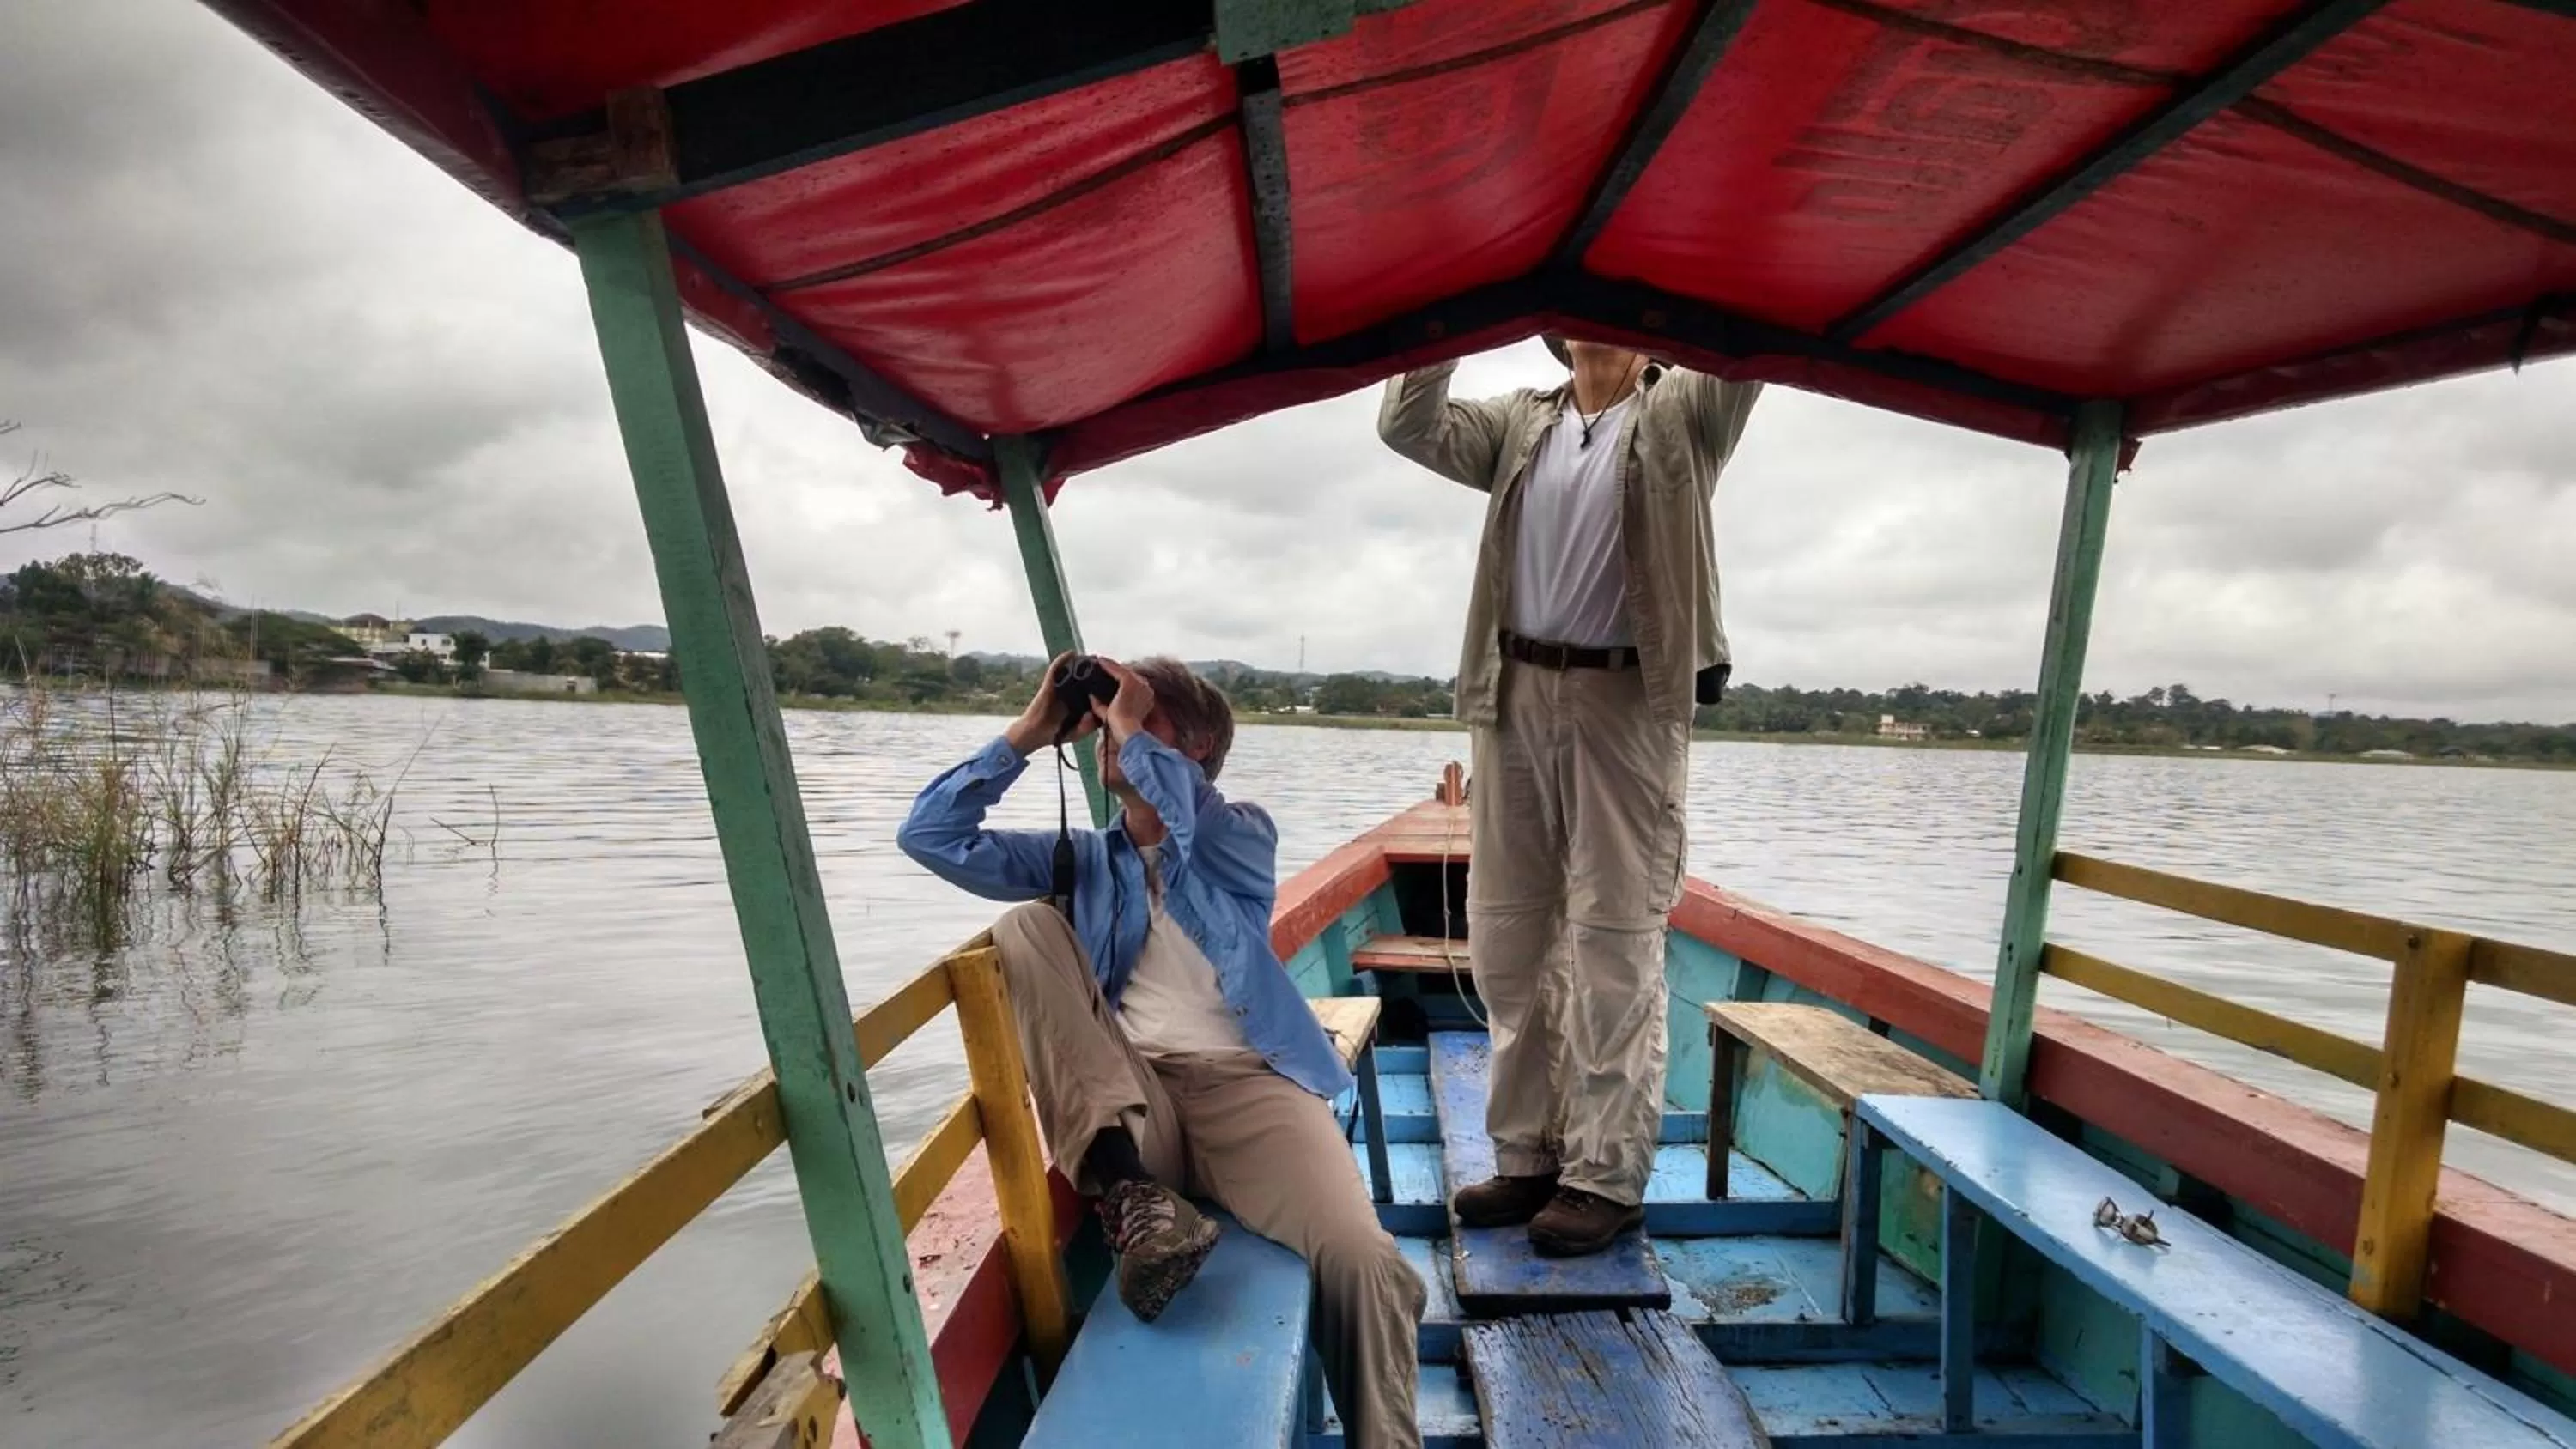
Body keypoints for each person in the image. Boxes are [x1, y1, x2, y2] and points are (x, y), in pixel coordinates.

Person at [896, 654, 1425, 1448]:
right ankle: (1138, 1206)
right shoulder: (1080, 859)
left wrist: (1131, 726)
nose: (1114, 731)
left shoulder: (1240, 833)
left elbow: (1192, 821)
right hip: (1132, 1101)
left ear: (1200, 746)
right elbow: (930, 835)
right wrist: (1033, 731)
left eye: (1145, 716)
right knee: (1026, 927)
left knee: (1362, 1259)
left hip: (1251, 1090)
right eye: (1110, 718)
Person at [1377, 336, 1760, 1257]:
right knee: (1508, 938)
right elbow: (1406, 423)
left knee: (1614, 944)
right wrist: (1454, 327)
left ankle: (1605, 1177)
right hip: (1511, 698)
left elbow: (1754, 342)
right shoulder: (1521, 420)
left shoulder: (1686, 409)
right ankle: (1529, 1154)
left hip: (1627, 701)